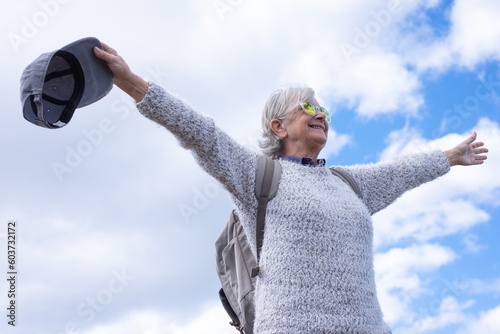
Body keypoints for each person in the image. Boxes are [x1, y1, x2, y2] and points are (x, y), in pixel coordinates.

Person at [94, 43, 488, 334]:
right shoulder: (257, 175)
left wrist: (450, 157)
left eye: (325, 111)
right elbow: (202, 135)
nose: (322, 116)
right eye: (309, 108)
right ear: (278, 127)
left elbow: (401, 171)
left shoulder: (350, 184)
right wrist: (131, 82)